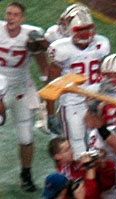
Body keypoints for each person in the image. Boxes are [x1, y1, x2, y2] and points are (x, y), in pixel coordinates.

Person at [47, 9, 110, 158]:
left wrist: (102, 95)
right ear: (71, 30)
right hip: (72, 102)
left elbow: (106, 74)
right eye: (80, 30)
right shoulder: (61, 48)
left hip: (95, 100)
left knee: (98, 142)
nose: (85, 33)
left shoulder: (101, 43)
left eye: (88, 29)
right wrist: (50, 113)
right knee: (76, 144)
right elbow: (52, 84)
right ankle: (79, 179)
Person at [0, 2, 50, 192]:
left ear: (22, 18)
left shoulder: (31, 34)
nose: (11, 17)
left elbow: (42, 64)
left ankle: (26, 174)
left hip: (21, 88)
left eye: (15, 14)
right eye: (9, 13)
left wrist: (47, 87)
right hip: (0, 88)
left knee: (26, 136)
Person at [47, 136, 116, 199]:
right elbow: (89, 195)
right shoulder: (62, 179)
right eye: (66, 150)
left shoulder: (78, 164)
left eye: (70, 148)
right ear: (57, 156)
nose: (71, 152)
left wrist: (103, 165)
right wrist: (90, 167)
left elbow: (107, 184)